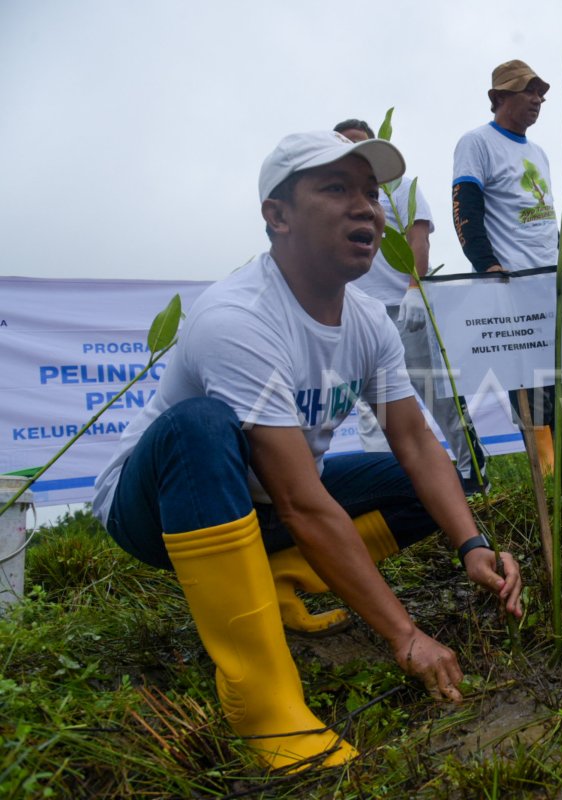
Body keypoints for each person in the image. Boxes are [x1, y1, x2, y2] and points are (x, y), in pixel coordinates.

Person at [91, 131, 523, 770]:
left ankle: (278, 583)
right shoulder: (238, 318)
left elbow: (414, 442)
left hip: (265, 505)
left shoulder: (369, 321)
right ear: (278, 215)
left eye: (371, 193)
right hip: (159, 511)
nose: (367, 208)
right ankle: (262, 704)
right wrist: (406, 637)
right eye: (336, 189)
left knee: (429, 486)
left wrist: (472, 544)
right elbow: (300, 501)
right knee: (201, 426)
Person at [335, 118, 489, 493]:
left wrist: (414, 289)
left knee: (437, 392)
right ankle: (396, 486)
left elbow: (418, 239)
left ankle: (472, 469)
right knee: (373, 405)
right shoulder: (333, 197)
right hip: (357, 312)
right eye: (341, 145)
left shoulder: (400, 189)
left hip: (404, 309)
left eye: (358, 144)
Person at [452, 58, 558, 470]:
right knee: (529, 384)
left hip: (550, 281)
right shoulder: (477, 142)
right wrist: (486, 266)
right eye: (528, 91)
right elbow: (465, 207)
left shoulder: (540, 153)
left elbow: (544, 219)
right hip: (512, 283)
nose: (537, 100)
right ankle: (544, 472)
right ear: (498, 98)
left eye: (541, 93)